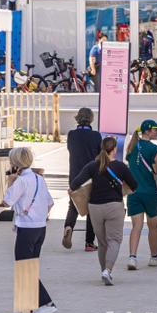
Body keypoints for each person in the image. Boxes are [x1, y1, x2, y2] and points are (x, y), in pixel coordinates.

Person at [70, 136, 137, 285]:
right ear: (114, 149)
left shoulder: (92, 166)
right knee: (114, 240)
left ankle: (103, 271)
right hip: (114, 206)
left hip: (95, 208)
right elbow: (134, 185)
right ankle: (108, 270)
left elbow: (75, 183)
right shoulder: (121, 167)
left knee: (102, 242)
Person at [0, 147, 56, 313]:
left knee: (24, 268)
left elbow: (6, 201)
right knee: (30, 266)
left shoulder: (21, 181)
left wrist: (10, 182)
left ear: (16, 163)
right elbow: (50, 203)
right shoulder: (39, 179)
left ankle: (46, 303)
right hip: (40, 228)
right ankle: (27, 308)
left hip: (27, 228)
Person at [125, 120, 157, 270]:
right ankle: (154, 257)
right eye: (155, 130)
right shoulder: (154, 149)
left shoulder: (132, 146)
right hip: (151, 192)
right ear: (148, 131)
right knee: (153, 227)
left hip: (134, 192)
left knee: (136, 226)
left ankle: (132, 257)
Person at [63, 107, 102, 252]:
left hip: (74, 174)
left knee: (73, 205)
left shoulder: (72, 135)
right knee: (90, 207)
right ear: (91, 119)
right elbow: (100, 155)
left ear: (77, 118)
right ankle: (89, 243)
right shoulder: (96, 136)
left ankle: (68, 227)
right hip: (91, 175)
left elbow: (70, 150)